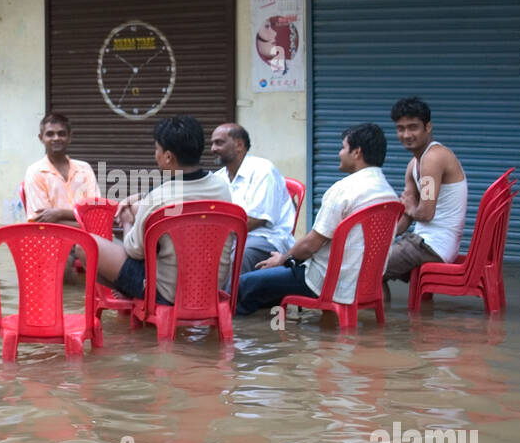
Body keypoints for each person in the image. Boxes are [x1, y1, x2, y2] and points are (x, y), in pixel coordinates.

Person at [235, 123, 397, 316]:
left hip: (325, 281)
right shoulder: (390, 194)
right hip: (363, 284)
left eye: (343, 147)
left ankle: (237, 340)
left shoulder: (344, 190)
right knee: (268, 285)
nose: (339, 153)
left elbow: (310, 245)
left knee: (244, 285)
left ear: (357, 153)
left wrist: (282, 259)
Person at [93, 115, 233, 305]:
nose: (155, 154)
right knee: (141, 215)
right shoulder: (222, 187)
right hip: (209, 289)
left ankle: (135, 295)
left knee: (86, 247)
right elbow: (184, 191)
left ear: (168, 157)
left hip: (166, 293)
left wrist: (127, 222)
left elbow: (135, 251)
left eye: (156, 149)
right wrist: (142, 197)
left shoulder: (158, 198)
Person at [383, 97, 468, 285]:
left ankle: (380, 315)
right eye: (400, 128)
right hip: (422, 243)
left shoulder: (433, 158)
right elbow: (407, 216)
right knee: (367, 260)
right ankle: (387, 314)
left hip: (433, 247)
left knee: (365, 268)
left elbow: (425, 213)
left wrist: (412, 208)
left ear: (428, 127)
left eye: (413, 127)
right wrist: (380, 238)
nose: (406, 134)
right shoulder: (414, 164)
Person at [209, 122, 296, 274]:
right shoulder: (218, 178)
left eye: (219, 143)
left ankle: (232, 298)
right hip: (231, 237)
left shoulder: (263, 170)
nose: (213, 149)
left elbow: (256, 220)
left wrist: (219, 235)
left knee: (239, 255)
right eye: (212, 144)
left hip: (265, 238)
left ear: (239, 145)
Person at [22, 112, 100, 223]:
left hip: (88, 236)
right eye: (50, 134)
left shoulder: (84, 168)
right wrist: (84, 223)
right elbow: (43, 221)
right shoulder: (35, 172)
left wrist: (59, 213)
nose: (56, 138)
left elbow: (95, 211)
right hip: (52, 238)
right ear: (41, 138)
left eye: (61, 134)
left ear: (69, 138)